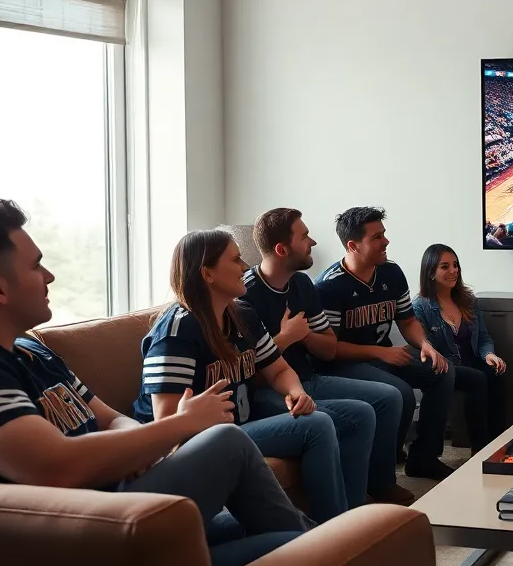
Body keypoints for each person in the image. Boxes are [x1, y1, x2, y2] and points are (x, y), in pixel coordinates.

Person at [0, 201, 307, 566]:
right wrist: (179, 427)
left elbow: (108, 417)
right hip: (71, 544)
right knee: (228, 445)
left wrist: (141, 447)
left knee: (294, 541)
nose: (50, 276)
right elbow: (57, 467)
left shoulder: (28, 350)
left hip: (115, 503)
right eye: (37, 266)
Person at [133, 229, 371, 524]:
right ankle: (335, 530)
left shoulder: (242, 313)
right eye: (235, 260)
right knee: (317, 425)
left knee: (351, 414)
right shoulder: (177, 332)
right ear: (208, 274)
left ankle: (349, 521)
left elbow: (279, 369)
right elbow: (166, 421)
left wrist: (295, 392)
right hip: (197, 443)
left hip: (241, 425)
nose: (245, 267)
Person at [240, 209, 414, 505]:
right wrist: (285, 339)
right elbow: (245, 373)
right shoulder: (244, 296)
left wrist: (304, 335)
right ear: (282, 250)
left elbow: (329, 346)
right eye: (305, 236)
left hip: (307, 377)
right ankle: (347, 508)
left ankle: (377, 487)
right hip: (265, 390)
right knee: (350, 416)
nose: (314, 242)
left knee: (389, 396)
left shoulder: (303, 284)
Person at [314, 207, 458, 481]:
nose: (386, 241)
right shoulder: (328, 287)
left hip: (383, 357)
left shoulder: (391, 272)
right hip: (342, 365)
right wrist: (381, 352)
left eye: (384, 234)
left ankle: (424, 457)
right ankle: (383, 468)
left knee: (443, 371)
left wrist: (424, 344)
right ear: (353, 246)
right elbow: (328, 349)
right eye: (377, 237)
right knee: (400, 391)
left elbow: (407, 321)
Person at [411, 245, 508, 451]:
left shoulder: (468, 300)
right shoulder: (421, 306)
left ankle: (499, 444)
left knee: (495, 372)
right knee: (478, 378)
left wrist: (489, 354)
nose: (453, 271)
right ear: (430, 272)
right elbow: (424, 346)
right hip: (446, 366)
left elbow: (483, 337)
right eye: (445, 266)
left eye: (455, 265)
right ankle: (480, 447)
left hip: (472, 361)